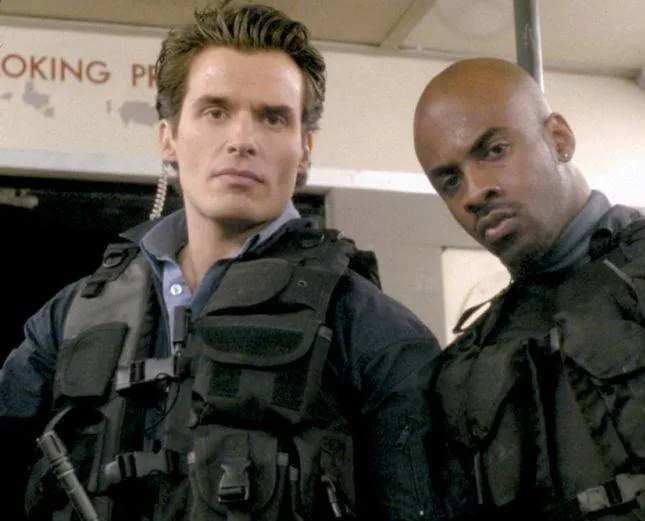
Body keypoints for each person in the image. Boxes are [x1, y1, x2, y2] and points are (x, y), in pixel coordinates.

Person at [0, 2, 441, 520]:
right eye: (215, 112)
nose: (242, 140)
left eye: (272, 117)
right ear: (167, 137)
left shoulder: (373, 331)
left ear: (304, 149)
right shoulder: (70, 318)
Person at [413, 57, 645, 521]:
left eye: (494, 150)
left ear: (559, 139)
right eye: (450, 181)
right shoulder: (466, 367)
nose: (474, 192)